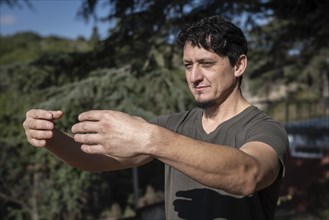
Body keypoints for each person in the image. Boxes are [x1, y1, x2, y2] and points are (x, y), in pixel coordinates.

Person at [23, 15, 289, 220]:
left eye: (207, 64)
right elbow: (92, 161)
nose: (194, 77)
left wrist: (154, 140)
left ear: (239, 65)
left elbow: (248, 175)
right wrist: (50, 137)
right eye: (188, 65)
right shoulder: (173, 127)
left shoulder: (265, 130)